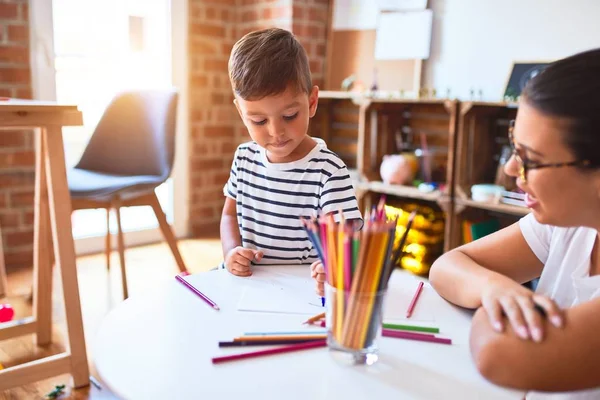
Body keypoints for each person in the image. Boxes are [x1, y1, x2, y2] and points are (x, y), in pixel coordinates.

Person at [429, 48, 600, 399]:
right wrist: (496, 288)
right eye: (513, 149)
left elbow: (501, 356)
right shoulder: (569, 225)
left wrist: (493, 305)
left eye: (530, 160)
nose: (509, 171)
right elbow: (447, 267)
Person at [221, 28, 362, 277]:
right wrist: (231, 251)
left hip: (304, 287)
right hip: (253, 282)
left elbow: (347, 236)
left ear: (311, 103)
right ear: (241, 113)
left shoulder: (328, 170)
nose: (276, 132)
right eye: (259, 121)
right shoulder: (243, 159)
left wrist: (334, 264)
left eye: (289, 116)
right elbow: (229, 215)